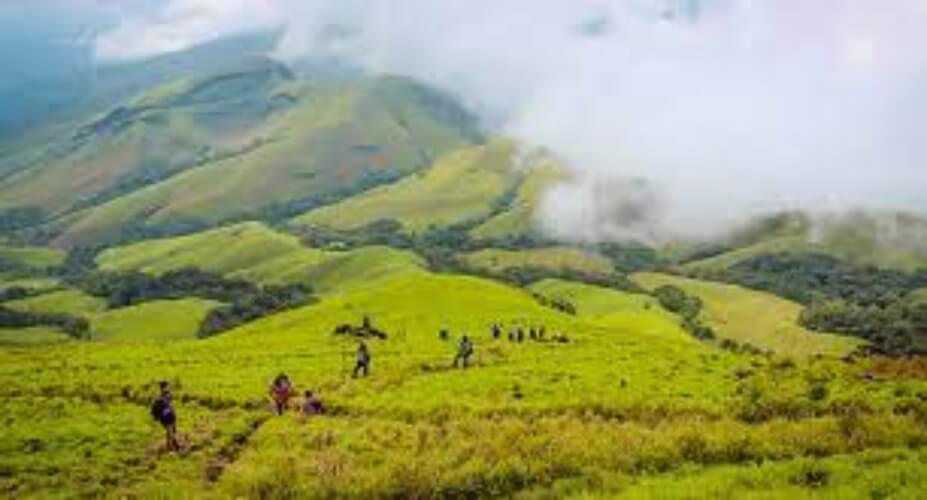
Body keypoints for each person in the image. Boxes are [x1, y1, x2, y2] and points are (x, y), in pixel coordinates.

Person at [150, 381, 180, 451]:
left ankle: (172, 444)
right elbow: (166, 406)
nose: (169, 388)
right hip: (166, 417)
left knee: (171, 431)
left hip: (169, 415)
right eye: (167, 386)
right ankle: (172, 446)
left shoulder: (165, 395)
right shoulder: (162, 397)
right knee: (170, 431)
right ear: (164, 387)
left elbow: (169, 405)